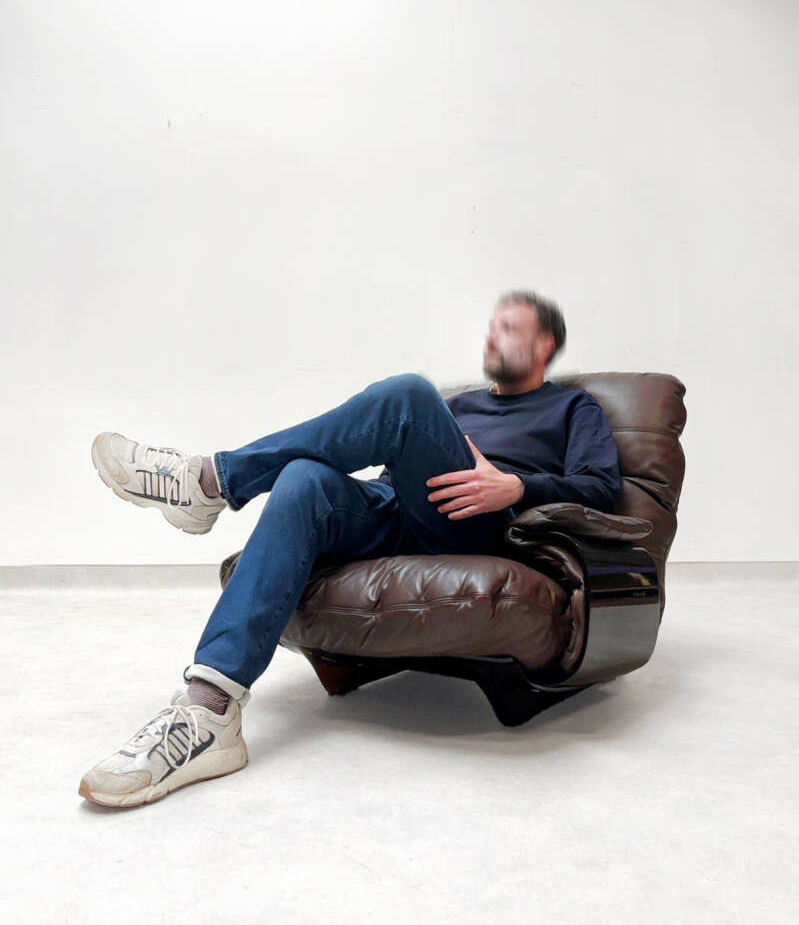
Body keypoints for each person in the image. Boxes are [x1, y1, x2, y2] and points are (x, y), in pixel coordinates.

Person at [78, 290, 621, 807]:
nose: (492, 336)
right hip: (403, 511)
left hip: (479, 527)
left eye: (509, 328)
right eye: (492, 327)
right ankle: (210, 710)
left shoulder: (572, 408)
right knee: (304, 479)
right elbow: (401, 469)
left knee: (409, 393)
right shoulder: (462, 406)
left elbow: (602, 488)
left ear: (544, 344)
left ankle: (209, 482)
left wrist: (516, 487)